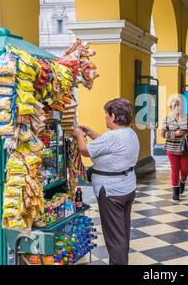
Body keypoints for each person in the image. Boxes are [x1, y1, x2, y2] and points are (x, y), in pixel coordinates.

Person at [72, 98, 139, 265]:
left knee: (114, 238)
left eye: (106, 115)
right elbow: (108, 145)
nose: (105, 118)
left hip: (111, 193)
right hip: (127, 188)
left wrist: (79, 134)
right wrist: (91, 133)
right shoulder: (129, 133)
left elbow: (85, 150)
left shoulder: (113, 137)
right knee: (122, 233)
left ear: (114, 116)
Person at [161, 98, 188, 202]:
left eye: (179, 105)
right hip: (171, 148)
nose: (177, 107)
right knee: (174, 170)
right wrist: (174, 134)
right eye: (175, 105)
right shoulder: (166, 119)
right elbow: (163, 133)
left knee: (185, 170)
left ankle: (182, 181)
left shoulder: (187, 118)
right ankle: (175, 193)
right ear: (171, 107)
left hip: (184, 147)